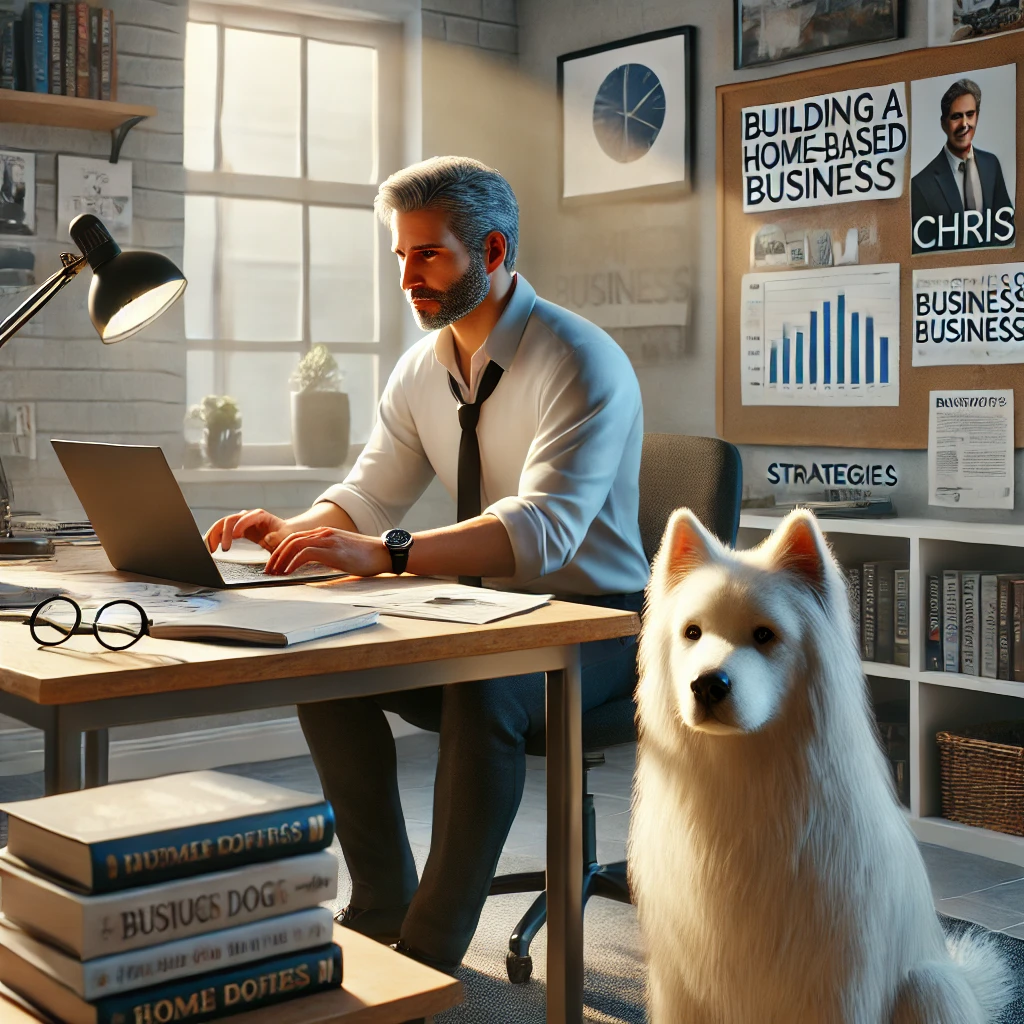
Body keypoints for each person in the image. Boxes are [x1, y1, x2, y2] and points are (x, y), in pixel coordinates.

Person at [205, 156, 649, 973]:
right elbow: (370, 497)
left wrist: (385, 556)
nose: (408, 277)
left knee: (485, 685)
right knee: (325, 668)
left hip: (600, 627)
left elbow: (544, 531)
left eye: (427, 256)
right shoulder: (423, 369)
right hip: (480, 617)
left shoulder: (580, 362)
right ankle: (379, 905)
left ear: (491, 251)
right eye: (400, 258)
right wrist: (295, 533)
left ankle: (429, 956)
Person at [910, 77, 1015, 253]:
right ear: (944, 124)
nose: (964, 124)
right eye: (956, 117)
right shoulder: (921, 184)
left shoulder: (992, 165)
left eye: (970, 114)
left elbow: (1007, 228)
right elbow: (922, 252)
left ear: (977, 117)